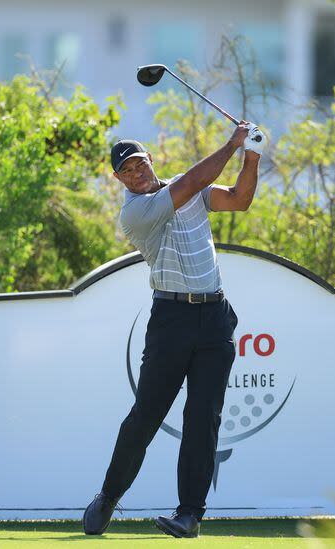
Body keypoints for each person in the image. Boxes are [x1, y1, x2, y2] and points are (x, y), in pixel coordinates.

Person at [83, 121, 265, 538]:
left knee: (204, 418)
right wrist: (232, 143)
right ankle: (109, 497)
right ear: (118, 179)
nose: (136, 173)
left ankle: (190, 514)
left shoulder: (190, 188)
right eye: (126, 170)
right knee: (146, 416)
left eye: (139, 163)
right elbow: (195, 180)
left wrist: (251, 156)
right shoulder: (136, 211)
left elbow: (239, 199)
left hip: (214, 317)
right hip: (171, 322)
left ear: (151, 159)